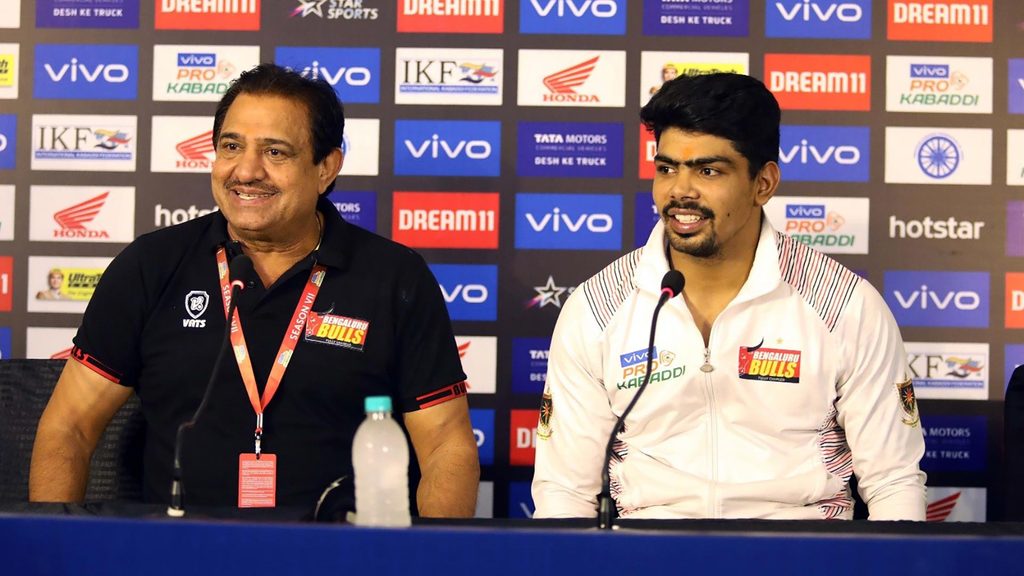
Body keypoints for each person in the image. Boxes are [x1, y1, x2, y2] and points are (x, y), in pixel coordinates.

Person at [29, 64, 480, 517]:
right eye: (231, 146)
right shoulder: (151, 265)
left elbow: (446, 445)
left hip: (341, 555)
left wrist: (433, 560)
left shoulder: (395, 278)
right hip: (177, 553)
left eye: (275, 152)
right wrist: (52, 548)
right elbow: (69, 427)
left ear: (326, 167)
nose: (246, 170)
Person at [532, 72, 926, 521]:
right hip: (645, 555)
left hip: (803, 554)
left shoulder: (844, 304)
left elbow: (894, 483)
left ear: (764, 183)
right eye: (666, 169)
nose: (680, 191)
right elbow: (565, 491)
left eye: (708, 170)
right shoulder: (596, 307)